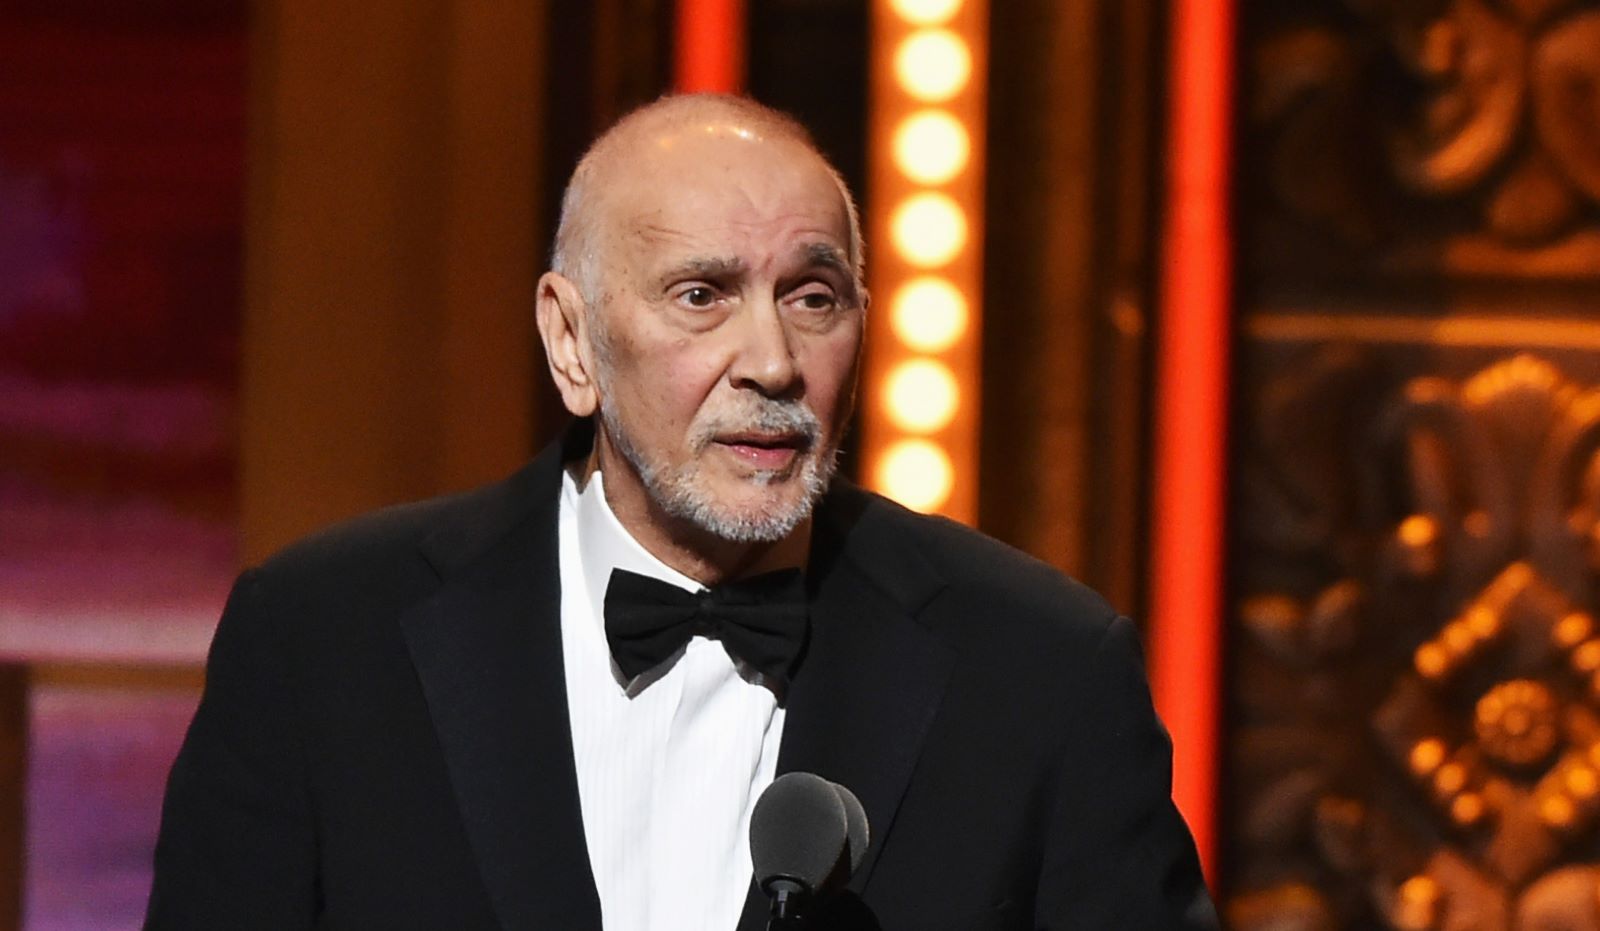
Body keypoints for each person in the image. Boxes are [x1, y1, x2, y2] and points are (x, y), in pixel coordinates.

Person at [145, 94, 1217, 930]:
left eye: (813, 296)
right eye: (701, 295)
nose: (773, 362)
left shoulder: (1038, 669)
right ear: (572, 343)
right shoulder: (324, 639)